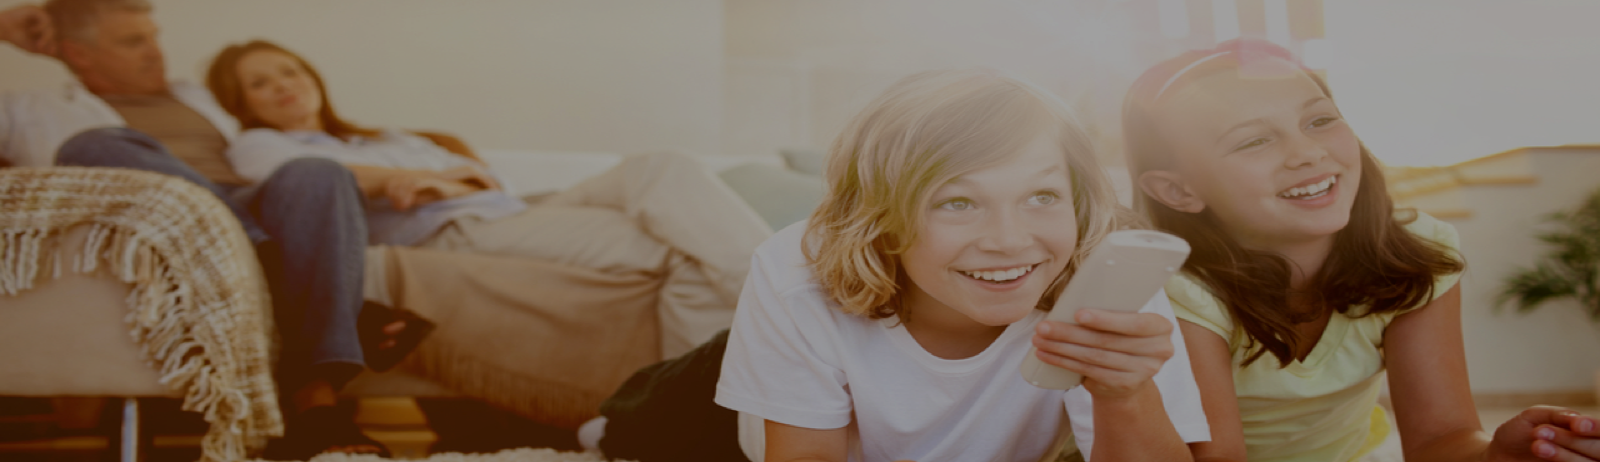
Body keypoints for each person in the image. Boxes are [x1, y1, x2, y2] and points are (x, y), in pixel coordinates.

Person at [1121, 38, 1600, 462]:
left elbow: (1441, 439)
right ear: (1177, 191)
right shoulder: (1181, 292)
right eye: (1254, 141)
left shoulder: (1415, 255)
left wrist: (1494, 455)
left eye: (1319, 120)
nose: (1308, 152)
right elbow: (1218, 457)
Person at [709, 68, 1211, 462]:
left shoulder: (1106, 279)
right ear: (880, 219)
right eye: (957, 202)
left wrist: (1125, 395)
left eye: (1042, 195)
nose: (1009, 241)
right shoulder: (796, 272)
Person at [0, 1, 422, 458]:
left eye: (153, 36)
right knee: (94, 145)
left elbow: (287, 128)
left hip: (250, 211)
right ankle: (287, 288)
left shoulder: (200, 96)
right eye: (133, 41)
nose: (155, 51)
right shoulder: (30, 109)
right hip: (162, 226)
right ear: (78, 53)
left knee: (318, 172)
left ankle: (312, 394)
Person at [205, 40, 774, 362]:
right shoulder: (258, 145)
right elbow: (308, 183)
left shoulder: (385, 138)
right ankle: (773, 324)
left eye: (289, 70)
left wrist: (442, 182)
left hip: (514, 208)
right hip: (457, 231)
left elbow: (484, 180)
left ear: (312, 76)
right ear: (240, 103)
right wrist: (426, 181)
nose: (283, 85)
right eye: (260, 83)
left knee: (662, 166)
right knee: (678, 250)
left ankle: (774, 298)